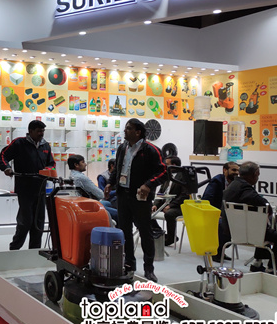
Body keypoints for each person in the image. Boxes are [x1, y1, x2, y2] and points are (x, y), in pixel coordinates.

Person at [105, 118, 166, 283]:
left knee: (145, 232)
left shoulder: (151, 150)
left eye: (129, 128)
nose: (125, 131)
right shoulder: (122, 148)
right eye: (125, 128)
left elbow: (163, 172)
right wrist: (110, 183)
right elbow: (117, 169)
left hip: (141, 197)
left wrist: (148, 185)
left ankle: (149, 268)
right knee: (124, 231)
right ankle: (129, 264)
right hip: (122, 195)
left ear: (138, 132)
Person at [223, 161, 277, 276]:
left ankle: (257, 264)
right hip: (249, 233)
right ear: (255, 174)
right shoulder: (246, 189)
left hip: (233, 231)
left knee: (263, 230)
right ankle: (272, 270)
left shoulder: (232, 186)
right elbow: (264, 205)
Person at [0, 120, 55, 250]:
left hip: (41, 188)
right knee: (26, 221)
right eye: (38, 131)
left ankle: (34, 251)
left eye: (43, 131)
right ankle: (15, 249)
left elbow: (51, 163)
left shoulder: (45, 145)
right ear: (30, 131)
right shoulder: (19, 143)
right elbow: (3, 156)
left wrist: (48, 169)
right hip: (25, 188)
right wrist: (6, 168)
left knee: (39, 222)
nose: (41, 134)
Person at [202, 161, 240, 262]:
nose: (236, 173)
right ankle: (216, 252)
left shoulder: (236, 183)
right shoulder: (217, 181)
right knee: (222, 225)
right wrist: (216, 213)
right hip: (213, 213)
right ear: (225, 170)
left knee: (237, 225)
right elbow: (207, 199)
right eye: (233, 170)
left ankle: (221, 249)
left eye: (238, 170)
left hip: (228, 214)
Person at [67, 154, 117, 224]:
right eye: (83, 162)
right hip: (88, 205)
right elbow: (101, 195)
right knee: (118, 214)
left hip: (80, 203)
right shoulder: (82, 178)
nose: (85, 164)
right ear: (76, 165)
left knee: (107, 203)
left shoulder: (71, 175)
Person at [150, 156, 188, 247]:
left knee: (169, 214)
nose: (164, 166)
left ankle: (171, 238)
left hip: (178, 206)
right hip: (164, 203)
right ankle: (158, 231)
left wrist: (170, 206)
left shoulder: (184, 177)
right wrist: (155, 204)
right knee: (146, 208)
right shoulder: (166, 176)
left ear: (173, 165)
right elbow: (160, 192)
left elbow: (184, 196)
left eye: (167, 164)